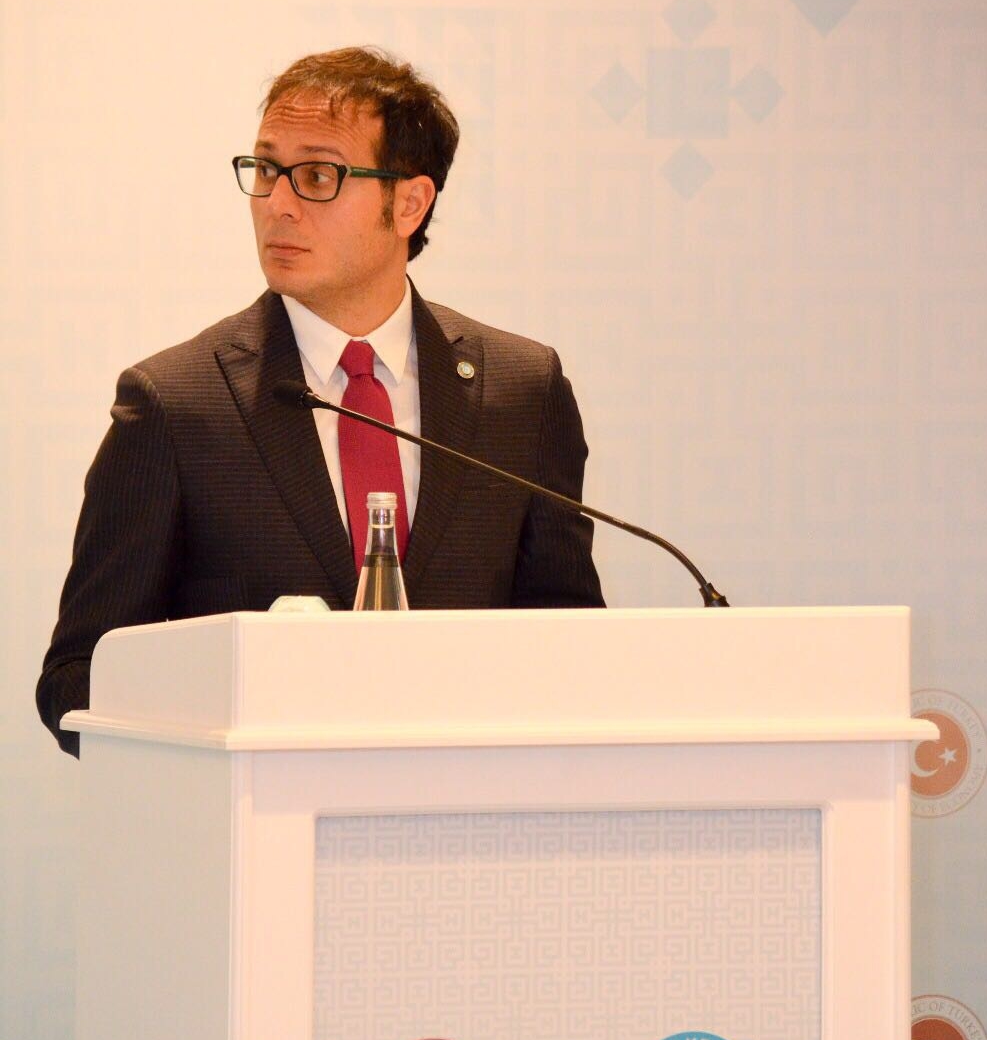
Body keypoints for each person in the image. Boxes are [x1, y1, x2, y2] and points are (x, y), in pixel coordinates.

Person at [37, 46, 604, 756]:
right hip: (255, 814)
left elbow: (571, 646)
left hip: (467, 812)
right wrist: (236, 713)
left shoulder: (520, 391)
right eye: (265, 170)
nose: (277, 204)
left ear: (409, 203)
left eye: (316, 176)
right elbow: (77, 680)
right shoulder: (176, 405)